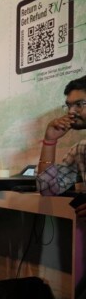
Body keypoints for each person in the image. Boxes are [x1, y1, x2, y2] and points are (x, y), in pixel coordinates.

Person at [37, 75, 86, 208]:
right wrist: (50, 141)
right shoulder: (81, 149)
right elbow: (47, 190)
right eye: (69, 106)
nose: (71, 112)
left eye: (79, 104)